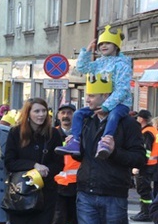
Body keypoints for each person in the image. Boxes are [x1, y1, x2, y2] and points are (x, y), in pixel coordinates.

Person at [72, 74, 145, 224]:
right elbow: (82, 155)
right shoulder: (86, 120)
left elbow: (139, 159)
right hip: (86, 193)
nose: (87, 99)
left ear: (107, 97)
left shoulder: (128, 124)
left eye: (92, 95)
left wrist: (114, 152)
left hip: (114, 194)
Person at [3, 98, 64, 224]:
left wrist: (47, 171)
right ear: (28, 113)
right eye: (37, 111)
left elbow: (60, 162)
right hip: (24, 194)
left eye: (44, 111)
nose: (40, 115)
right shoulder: (15, 133)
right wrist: (34, 166)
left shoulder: (53, 134)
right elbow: (9, 162)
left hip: (46, 194)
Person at [57, 25, 132, 159]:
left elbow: (122, 89)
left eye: (108, 43)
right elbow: (82, 67)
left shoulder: (123, 65)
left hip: (120, 104)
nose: (103, 46)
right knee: (79, 113)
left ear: (116, 46)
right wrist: (86, 51)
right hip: (100, 104)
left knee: (114, 115)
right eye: (101, 44)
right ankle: (75, 142)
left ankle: (104, 143)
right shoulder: (99, 62)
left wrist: (107, 106)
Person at [51, 103, 80, 224]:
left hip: (78, 186)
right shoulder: (53, 134)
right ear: (58, 115)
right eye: (63, 113)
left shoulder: (81, 133)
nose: (66, 116)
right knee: (57, 222)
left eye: (69, 113)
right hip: (58, 187)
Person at [130, 109, 157, 222]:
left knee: (143, 189)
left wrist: (138, 166)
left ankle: (146, 213)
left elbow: (146, 151)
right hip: (152, 165)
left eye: (138, 118)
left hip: (146, 166)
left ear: (141, 119)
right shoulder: (153, 130)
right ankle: (147, 212)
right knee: (147, 190)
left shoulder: (146, 132)